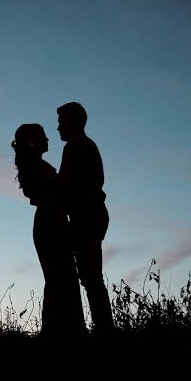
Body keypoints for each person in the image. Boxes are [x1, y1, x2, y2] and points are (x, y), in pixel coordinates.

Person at [12, 123, 85, 336]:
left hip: (50, 220)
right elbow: (59, 192)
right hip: (50, 222)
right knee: (60, 279)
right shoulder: (37, 167)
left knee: (60, 279)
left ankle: (60, 332)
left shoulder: (36, 165)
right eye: (43, 136)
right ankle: (63, 333)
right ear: (33, 141)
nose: (48, 139)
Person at [56, 102, 114, 334]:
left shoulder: (76, 146)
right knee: (90, 278)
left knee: (90, 278)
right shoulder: (83, 145)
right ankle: (102, 328)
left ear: (73, 122)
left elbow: (66, 185)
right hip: (90, 215)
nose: (58, 128)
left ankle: (104, 330)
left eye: (61, 122)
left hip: (87, 217)